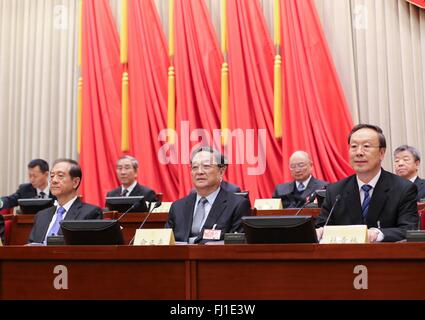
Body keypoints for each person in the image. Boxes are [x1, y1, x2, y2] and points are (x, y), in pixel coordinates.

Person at [316, 124, 419, 242]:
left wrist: (377, 233)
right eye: (354, 146)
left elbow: (409, 230)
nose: (359, 152)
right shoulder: (335, 191)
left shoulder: (403, 189)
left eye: (366, 146)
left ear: (381, 153)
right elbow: (322, 227)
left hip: (385, 258)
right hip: (344, 258)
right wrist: (319, 232)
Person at [166, 147, 251, 244]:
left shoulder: (237, 205)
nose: (199, 172)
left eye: (206, 166)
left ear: (221, 171)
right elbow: (166, 242)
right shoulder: (177, 207)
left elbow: (238, 244)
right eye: (195, 167)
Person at [28, 159, 102, 244]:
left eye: (60, 176)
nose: (54, 180)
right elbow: (30, 247)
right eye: (52, 176)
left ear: (75, 182)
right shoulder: (41, 215)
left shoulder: (90, 213)